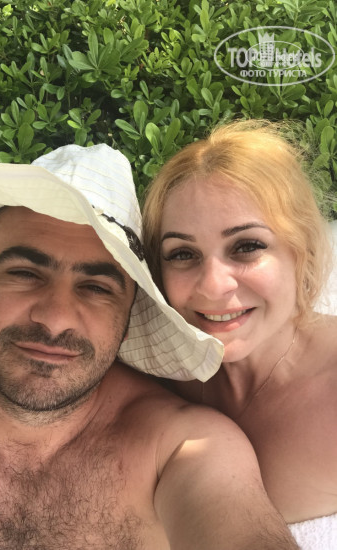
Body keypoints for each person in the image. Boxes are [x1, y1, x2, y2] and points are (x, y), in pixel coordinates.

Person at [0, 143, 298, 549]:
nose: (55, 319)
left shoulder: (180, 449)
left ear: (129, 314)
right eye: (26, 273)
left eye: (96, 288)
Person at [142, 119, 337, 550]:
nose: (213, 286)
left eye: (247, 246)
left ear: (301, 250)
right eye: (183, 253)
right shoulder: (149, 373)